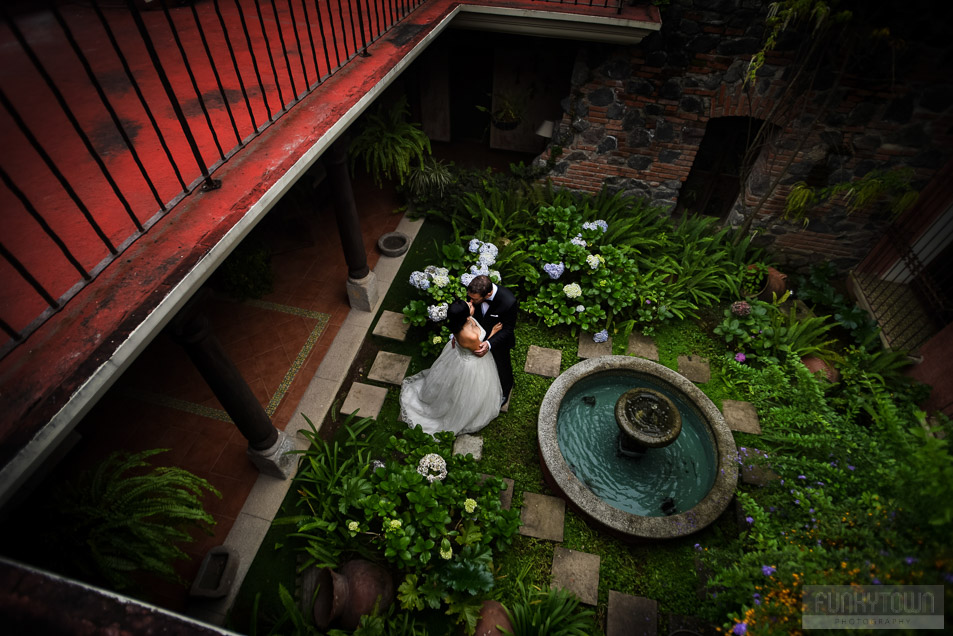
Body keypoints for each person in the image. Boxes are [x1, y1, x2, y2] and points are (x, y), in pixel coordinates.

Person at [400, 299, 503, 436]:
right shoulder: (470, 335)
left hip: (457, 354)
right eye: (470, 305)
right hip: (470, 364)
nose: (471, 302)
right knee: (466, 392)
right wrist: (493, 333)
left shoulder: (458, 322)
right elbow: (480, 352)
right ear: (466, 316)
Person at [466, 274, 517, 407]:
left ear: (488, 294)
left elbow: (508, 329)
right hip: (476, 335)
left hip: (499, 342)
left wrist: (489, 343)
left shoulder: (508, 301)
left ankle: (505, 390)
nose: (470, 301)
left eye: (474, 299)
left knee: (502, 366)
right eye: (469, 297)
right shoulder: (474, 292)